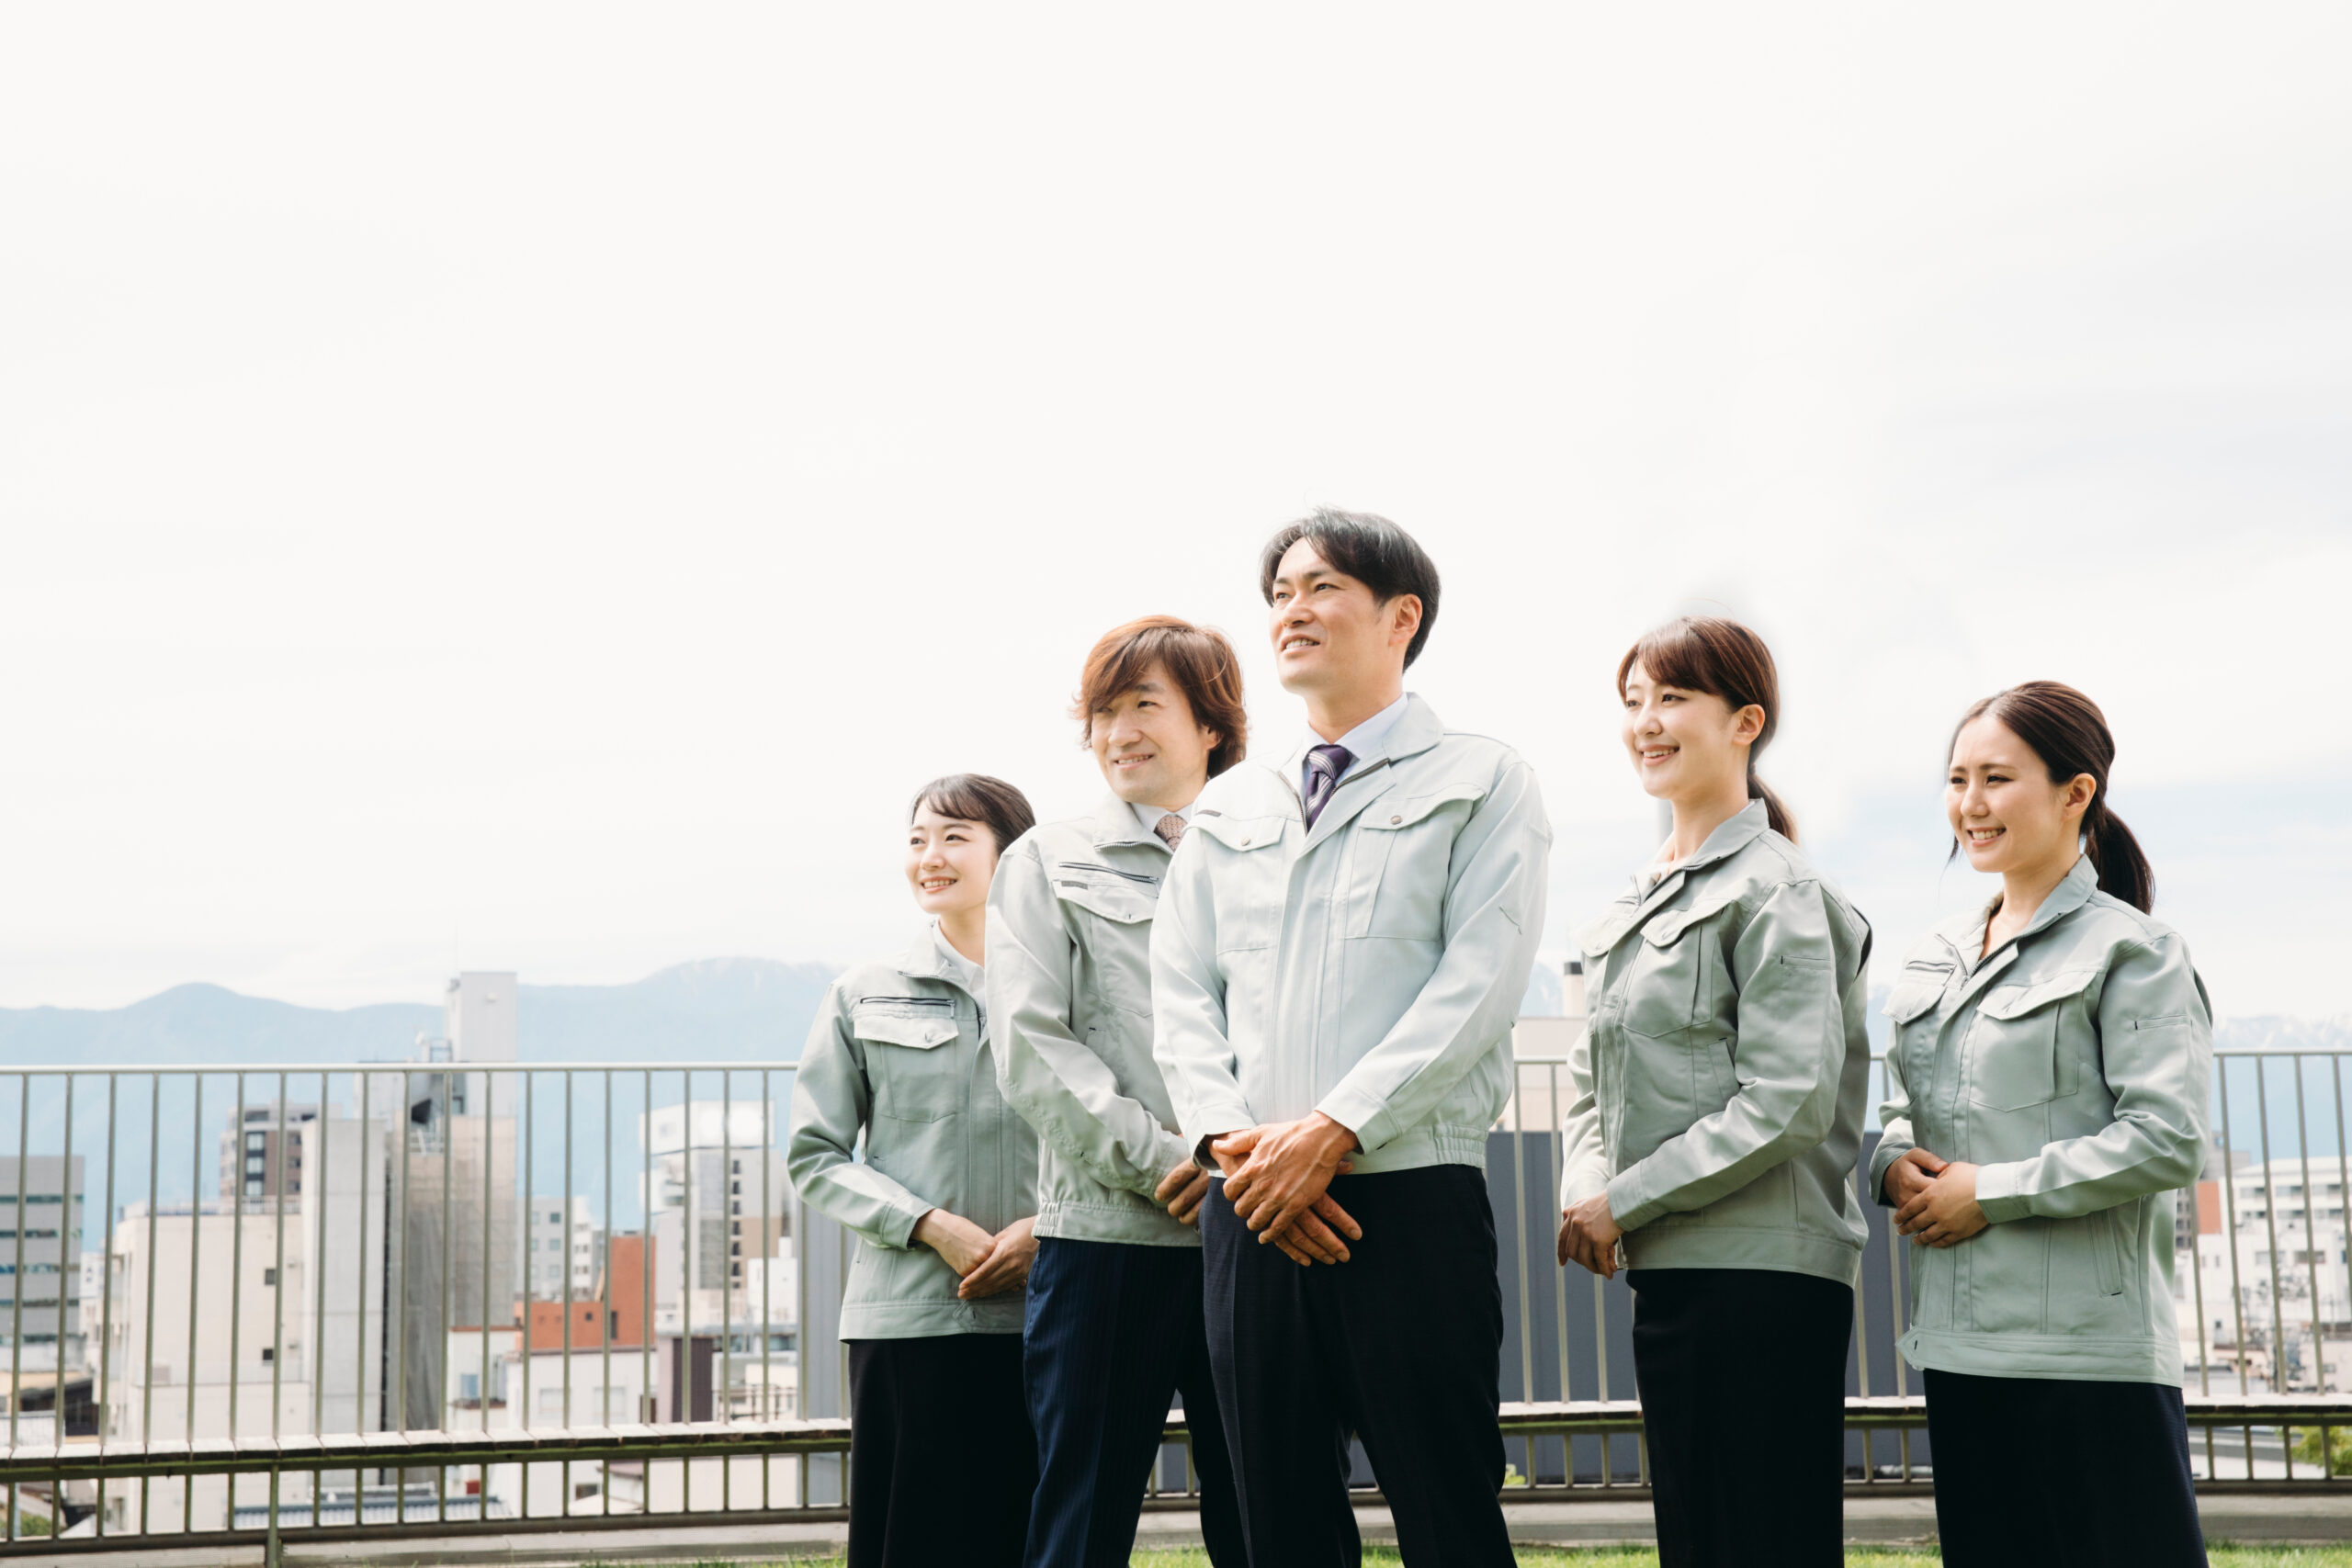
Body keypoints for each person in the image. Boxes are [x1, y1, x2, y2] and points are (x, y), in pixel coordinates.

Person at [1152, 508, 1550, 1566]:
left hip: (1405, 1198)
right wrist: (1229, 1143)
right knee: (1274, 1516)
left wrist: (1335, 1128)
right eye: (1279, 592)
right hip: (1249, 1205)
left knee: (1445, 1507)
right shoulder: (1230, 804)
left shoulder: (1480, 779)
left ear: (1400, 617)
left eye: (1321, 587)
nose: (1292, 609)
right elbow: (1179, 991)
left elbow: (1479, 982)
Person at [1555, 616, 1872, 1568]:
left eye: (1673, 697)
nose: (1646, 721)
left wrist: (1623, 1200)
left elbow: (1787, 1100)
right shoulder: (1637, 899)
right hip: (1674, 1264)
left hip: (1764, 1277)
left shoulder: (1780, 890)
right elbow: (1589, 1079)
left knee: (1761, 1542)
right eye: (1634, 701)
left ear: (1745, 722)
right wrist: (1586, 1189)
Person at [1871, 682, 2211, 1567]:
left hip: (2090, 1357)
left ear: (2075, 792)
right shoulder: (1936, 954)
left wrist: (1992, 1191)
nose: (1971, 804)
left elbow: (2169, 1137)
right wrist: (1891, 1162)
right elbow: (1903, 1105)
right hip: (1961, 1347)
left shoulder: (2134, 950)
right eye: (1958, 780)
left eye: (1997, 778)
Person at [989, 615, 1250, 1568]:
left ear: (1211, 725)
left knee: (1270, 1509)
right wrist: (1174, 1161)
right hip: (1107, 1239)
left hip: (1255, 1233)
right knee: (1081, 1517)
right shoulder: (1046, 860)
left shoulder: (1270, 853)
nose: (1118, 733)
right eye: (1103, 713)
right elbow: (1031, 1044)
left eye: (1145, 705)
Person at [785, 773, 1043, 1568]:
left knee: (1039, 1538)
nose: (931, 856)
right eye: (917, 839)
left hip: (1050, 1307)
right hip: (910, 1316)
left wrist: (1048, 1228)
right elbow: (815, 1154)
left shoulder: (1065, 988)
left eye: (955, 836)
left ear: (1014, 853)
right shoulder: (863, 993)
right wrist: (928, 1224)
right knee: (911, 1540)